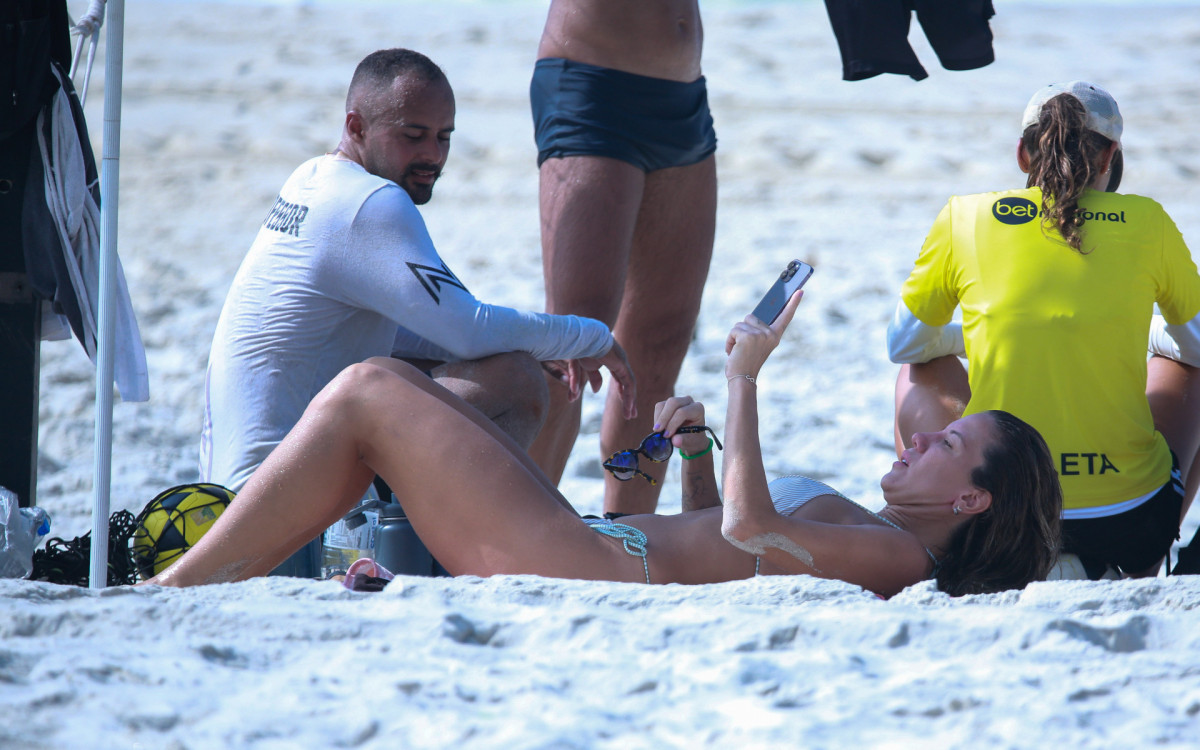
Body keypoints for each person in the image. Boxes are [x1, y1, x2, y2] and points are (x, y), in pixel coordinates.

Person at [150, 291, 1062, 599]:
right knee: (438, 391)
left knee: (371, 390)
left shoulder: (899, 556)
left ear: (972, 499)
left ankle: (180, 585)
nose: (922, 435)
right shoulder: (876, 534)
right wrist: (700, 454)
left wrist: (746, 378)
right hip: (588, 543)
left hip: (578, 559)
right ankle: (224, 567)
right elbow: (733, 551)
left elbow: (748, 530)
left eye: (949, 444)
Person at [201, 48, 635, 499]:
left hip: (227, 499)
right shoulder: (370, 204)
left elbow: (422, 332)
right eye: (413, 135)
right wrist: (590, 337)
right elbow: (469, 332)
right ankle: (460, 552)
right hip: (279, 502)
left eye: (444, 137)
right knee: (514, 380)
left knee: (477, 360)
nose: (432, 155)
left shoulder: (312, 179)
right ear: (356, 127)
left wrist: (527, 340)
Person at [887, 81, 1200, 580]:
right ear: (1109, 157)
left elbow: (903, 343)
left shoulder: (965, 216)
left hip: (996, 517)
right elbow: (1198, 345)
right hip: (1126, 522)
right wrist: (1143, 334)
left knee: (920, 367)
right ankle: (1137, 569)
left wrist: (974, 336)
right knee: (1188, 369)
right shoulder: (1149, 220)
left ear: (1022, 152)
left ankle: (933, 522)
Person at [527, 0, 718, 516]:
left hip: (683, 97)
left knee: (660, 342)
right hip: (593, 84)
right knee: (573, 339)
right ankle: (522, 527)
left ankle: (630, 527)